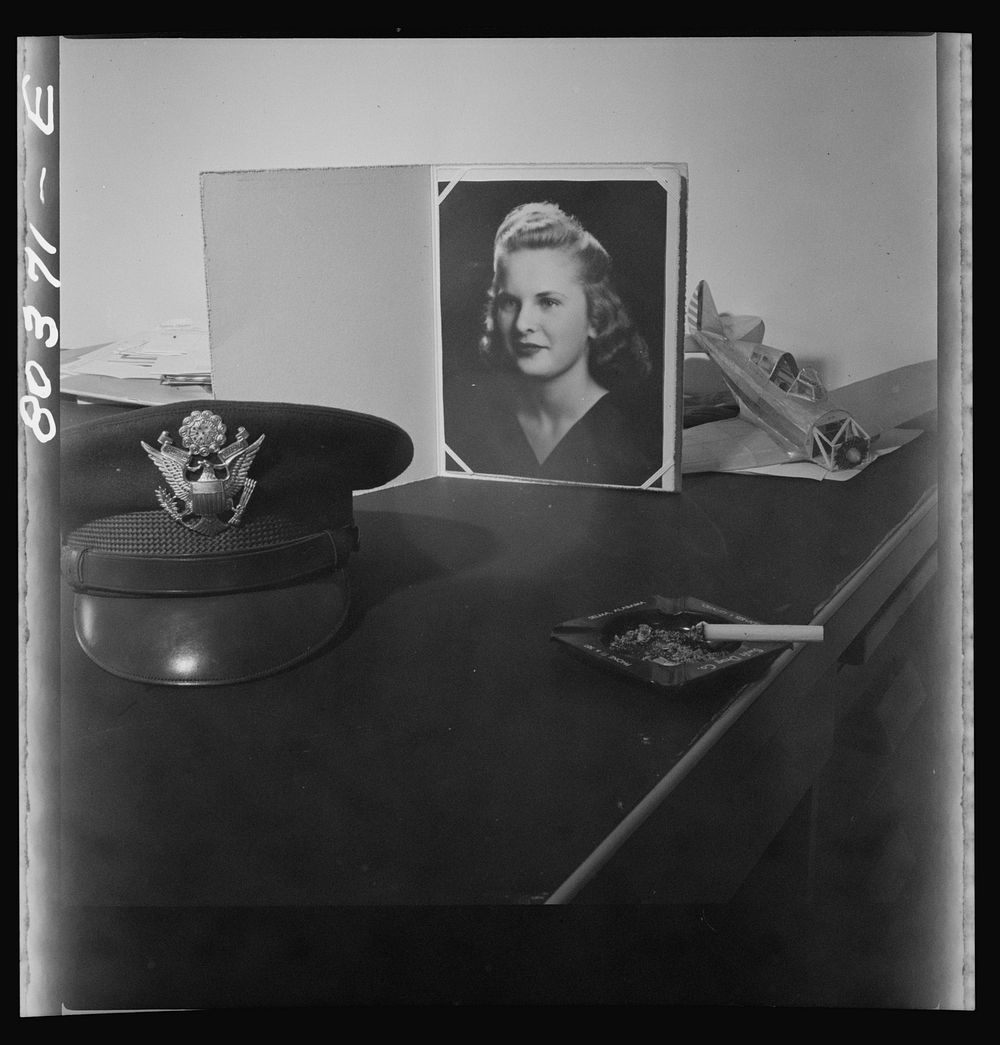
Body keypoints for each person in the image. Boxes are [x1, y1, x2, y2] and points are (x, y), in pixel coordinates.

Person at [444, 201, 661, 486]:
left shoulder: (635, 442)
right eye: (510, 302)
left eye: (548, 302)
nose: (523, 324)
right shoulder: (467, 422)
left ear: (595, 316)